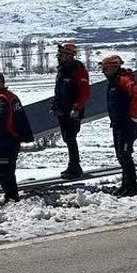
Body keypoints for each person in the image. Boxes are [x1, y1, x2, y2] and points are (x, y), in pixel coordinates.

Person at [100, 54, 137, 197]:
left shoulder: (123, 80)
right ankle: (126, 185)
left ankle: (132, 186)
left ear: (114, 67)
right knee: (121, 155)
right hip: (118, 124)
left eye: (106, 69)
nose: (104, 72)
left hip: (126, 124)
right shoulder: (114, 81)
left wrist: (132, 115)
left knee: (125, 155)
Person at [0, 72, 32, 201]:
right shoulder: (11, 96)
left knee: (3, 172)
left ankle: (11, 197)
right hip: (12, 140)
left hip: (5, 142)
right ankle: (11, 195)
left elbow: (0, 120)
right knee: (8, 171)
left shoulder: (1, 99)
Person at [50, 42, 90, 178]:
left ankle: (75, 167)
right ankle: (73, 166)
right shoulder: (62, 70)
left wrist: (77, 108)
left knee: (71, 137)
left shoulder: (78, 70)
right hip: (62, 110)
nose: (59, 57)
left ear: (69, 55)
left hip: (73, 111)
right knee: (68, 138)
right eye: (59, 54)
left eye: (62, 55)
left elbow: (84, 92)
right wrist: (55, 104)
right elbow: (59, 90)